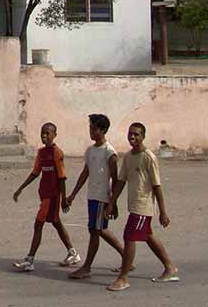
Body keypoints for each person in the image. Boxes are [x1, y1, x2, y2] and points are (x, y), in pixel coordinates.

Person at [105, 122, 179, 292]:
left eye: (136, 134)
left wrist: (163, 212)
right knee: (147, 236)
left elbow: (157, 186)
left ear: (143, 137)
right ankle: (170, 267)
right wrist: (112, 202)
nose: (132, 137)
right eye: (130, 134)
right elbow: (121, 181)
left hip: (143, 207)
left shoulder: (148, 157)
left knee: (129, 236)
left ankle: (123, 277)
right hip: (133, 205)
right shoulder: (129, 157)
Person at [12, 122, 80, 272]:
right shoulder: (41, 153)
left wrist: (63, 199)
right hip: (44, 195)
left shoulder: (57, 153)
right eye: (42, 133)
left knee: (38, 224)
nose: (44, 135)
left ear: (54, 135)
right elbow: (35, 173)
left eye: (47, 133)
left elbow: (62, 178)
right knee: (56, 223)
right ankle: (73, 252)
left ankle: (30, 260)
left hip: (53, 197)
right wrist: (20, 189)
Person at [64, 113, 124, 279]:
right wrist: (73, 194)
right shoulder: (90, 150)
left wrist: (113, 202)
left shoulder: (109, 152)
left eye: (94, 128)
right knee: (98, 229)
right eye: (90, 127)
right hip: (92, 195)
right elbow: (85, 173)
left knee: (95, 231)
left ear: (103, 130)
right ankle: (127, 257)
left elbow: (115, 178)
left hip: (102, 197)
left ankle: (87, 267)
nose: (91, 131)